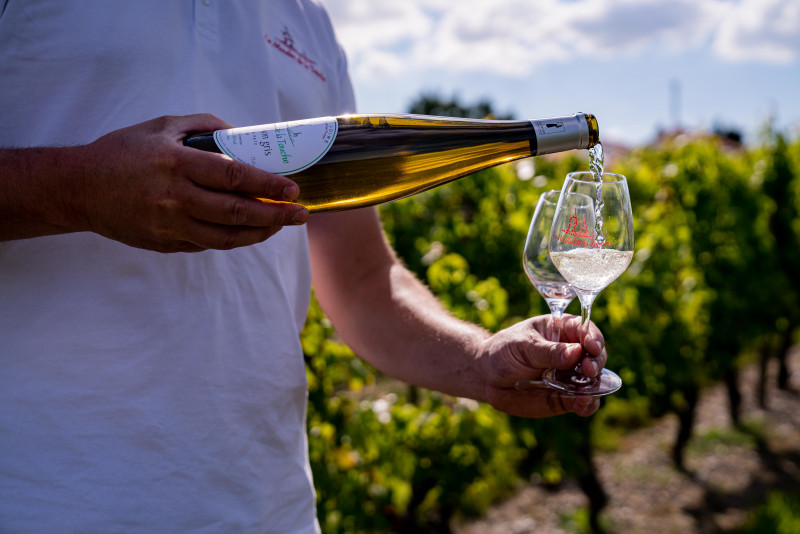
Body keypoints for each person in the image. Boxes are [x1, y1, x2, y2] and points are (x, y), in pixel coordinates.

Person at [0, 1, 607, 532]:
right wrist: (77, 188)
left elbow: (364, 279)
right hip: (47, 504)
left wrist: (481, 363)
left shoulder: (309, 23)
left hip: (271, 508)